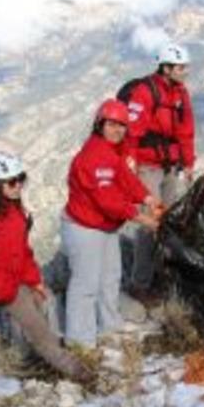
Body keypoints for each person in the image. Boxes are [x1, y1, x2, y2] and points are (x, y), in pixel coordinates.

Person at [0, 153, 93, 407]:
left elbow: (23, 252)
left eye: (21, 179)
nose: (18, 186)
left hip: (10, 285)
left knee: (40, 331)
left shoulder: (15, 211)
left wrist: (34, 281)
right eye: (11, 182)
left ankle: (77, 371)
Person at [61, 99, 160, 348]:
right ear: (100, 124)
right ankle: (80, 342)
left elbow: (125, 179)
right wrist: (142, 218)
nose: (117, 130)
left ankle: (109, 325)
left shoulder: (110, 151)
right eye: (112, 124)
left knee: (110, 277)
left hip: (104, 227)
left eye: (122, 126)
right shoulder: (94, 156)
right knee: (86, 284)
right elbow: (108, 201)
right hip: (85, 228)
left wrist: (147, 198)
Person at [117, 42, 195, 300]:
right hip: (147, 166)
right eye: (180, 67)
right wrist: (129, 162)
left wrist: (189, 162)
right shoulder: (144, 92)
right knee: (149, 225)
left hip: (170, 166)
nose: (184, 71)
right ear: (166, 67)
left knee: (168, 222)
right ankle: (140, 283)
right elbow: (132, 132)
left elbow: (185, 130)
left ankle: (163, 273)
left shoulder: (180, 94)